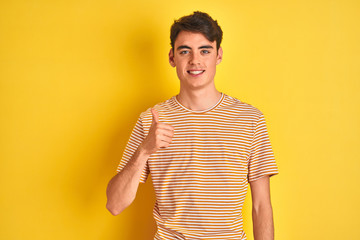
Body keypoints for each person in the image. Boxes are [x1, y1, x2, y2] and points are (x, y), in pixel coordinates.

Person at [106, 11, 279, 240]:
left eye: (204, 50)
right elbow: (115, 205)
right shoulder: (151, 120)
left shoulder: (249, 119)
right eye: (184, 51)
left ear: (218, 55)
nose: (195, 60)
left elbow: (261, 206)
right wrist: (144, 150)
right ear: (172, 57)